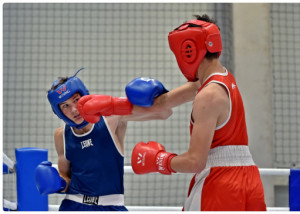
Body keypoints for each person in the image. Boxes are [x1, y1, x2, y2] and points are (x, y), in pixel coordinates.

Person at [130, 14, 267, 211]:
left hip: (220, 182)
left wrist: (161, 161)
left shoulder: (209, 94)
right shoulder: (221, 79)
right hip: (249, 179)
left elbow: (195, 162)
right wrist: (114, 105)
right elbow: (162, 103)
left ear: (189, 50)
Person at [34, 68, 171, 211]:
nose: (74, 110)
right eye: (65, 106)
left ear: (84, 96)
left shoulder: (111, 119)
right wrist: (60, 183)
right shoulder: (61, 135)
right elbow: (65, 176)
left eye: (76, 100)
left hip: (111, 206)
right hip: (73, 205)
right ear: (59, 112)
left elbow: (164, 113)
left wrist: (158, 94)